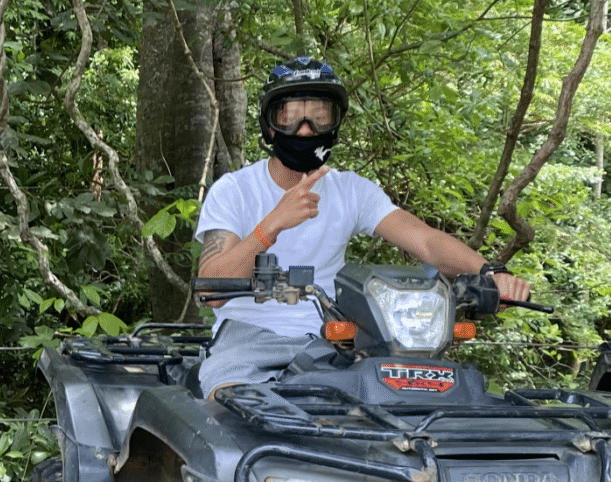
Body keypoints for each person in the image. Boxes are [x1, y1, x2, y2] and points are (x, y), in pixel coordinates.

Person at [193, 57, 530, 398]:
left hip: (335, 344)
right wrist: (270, 226)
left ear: (335, 125)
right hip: (248, 341)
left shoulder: (351, 190)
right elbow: (209, 289)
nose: (305, 129)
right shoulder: (235, 190)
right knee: (233, 411)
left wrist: (490, 272)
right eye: (290, 116)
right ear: (269, 126)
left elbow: (427, 241)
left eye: (319, 116)